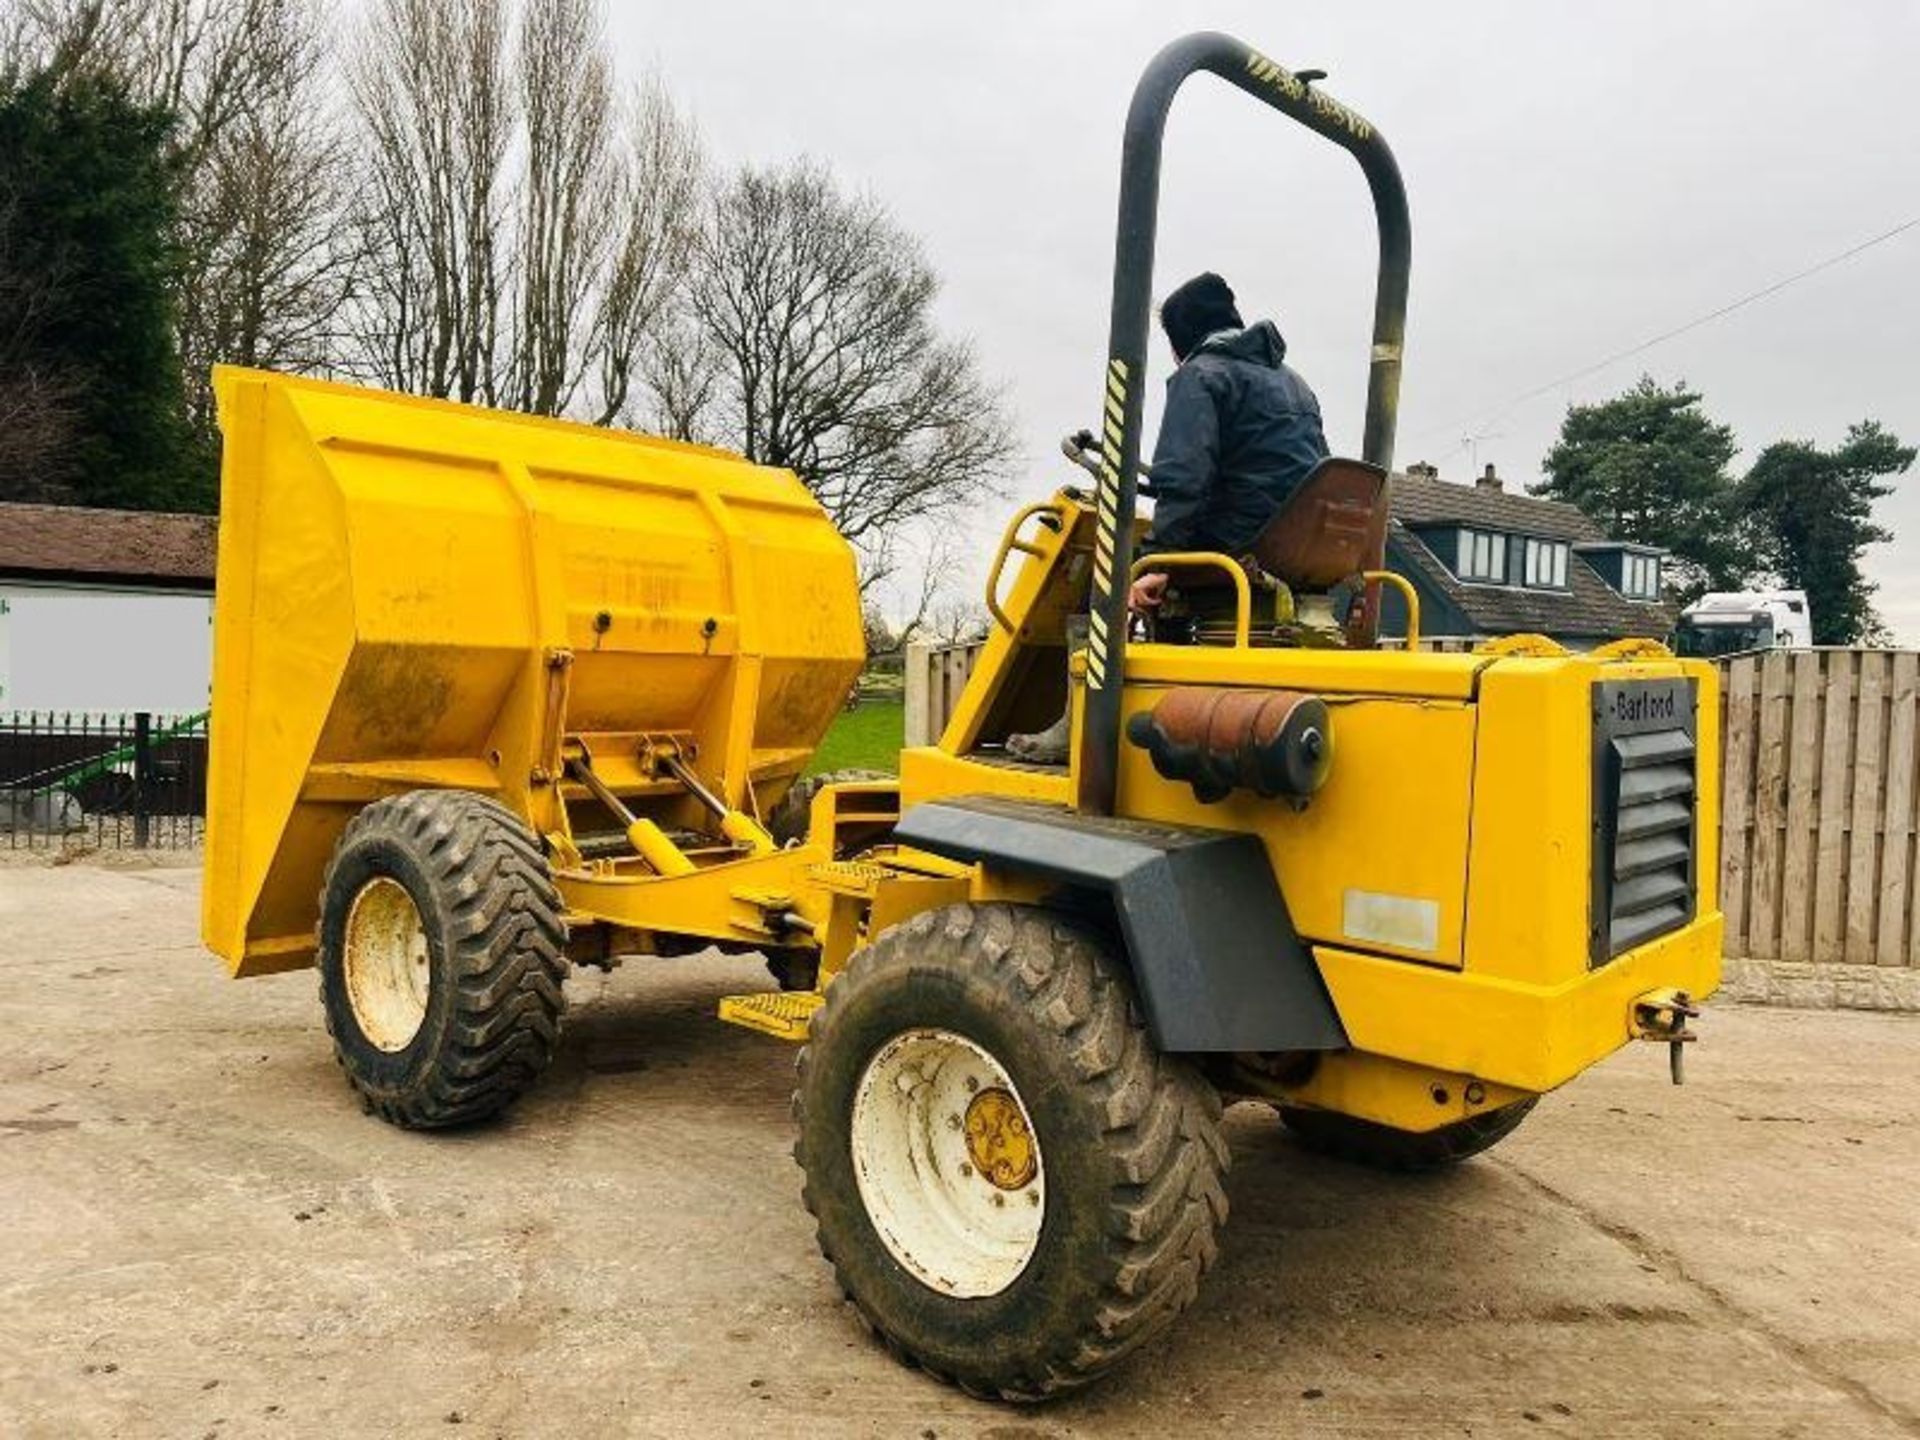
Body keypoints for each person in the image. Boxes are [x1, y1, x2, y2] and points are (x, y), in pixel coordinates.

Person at [1008, 272, 1329, 764]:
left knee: (1111, 580)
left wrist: (1156, 562)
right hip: (1297, 553)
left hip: (1237, 549)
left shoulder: (1201, 376)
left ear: (1181, 342)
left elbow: (1184, 479)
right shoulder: (1295, 386)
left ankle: (1078, 729)